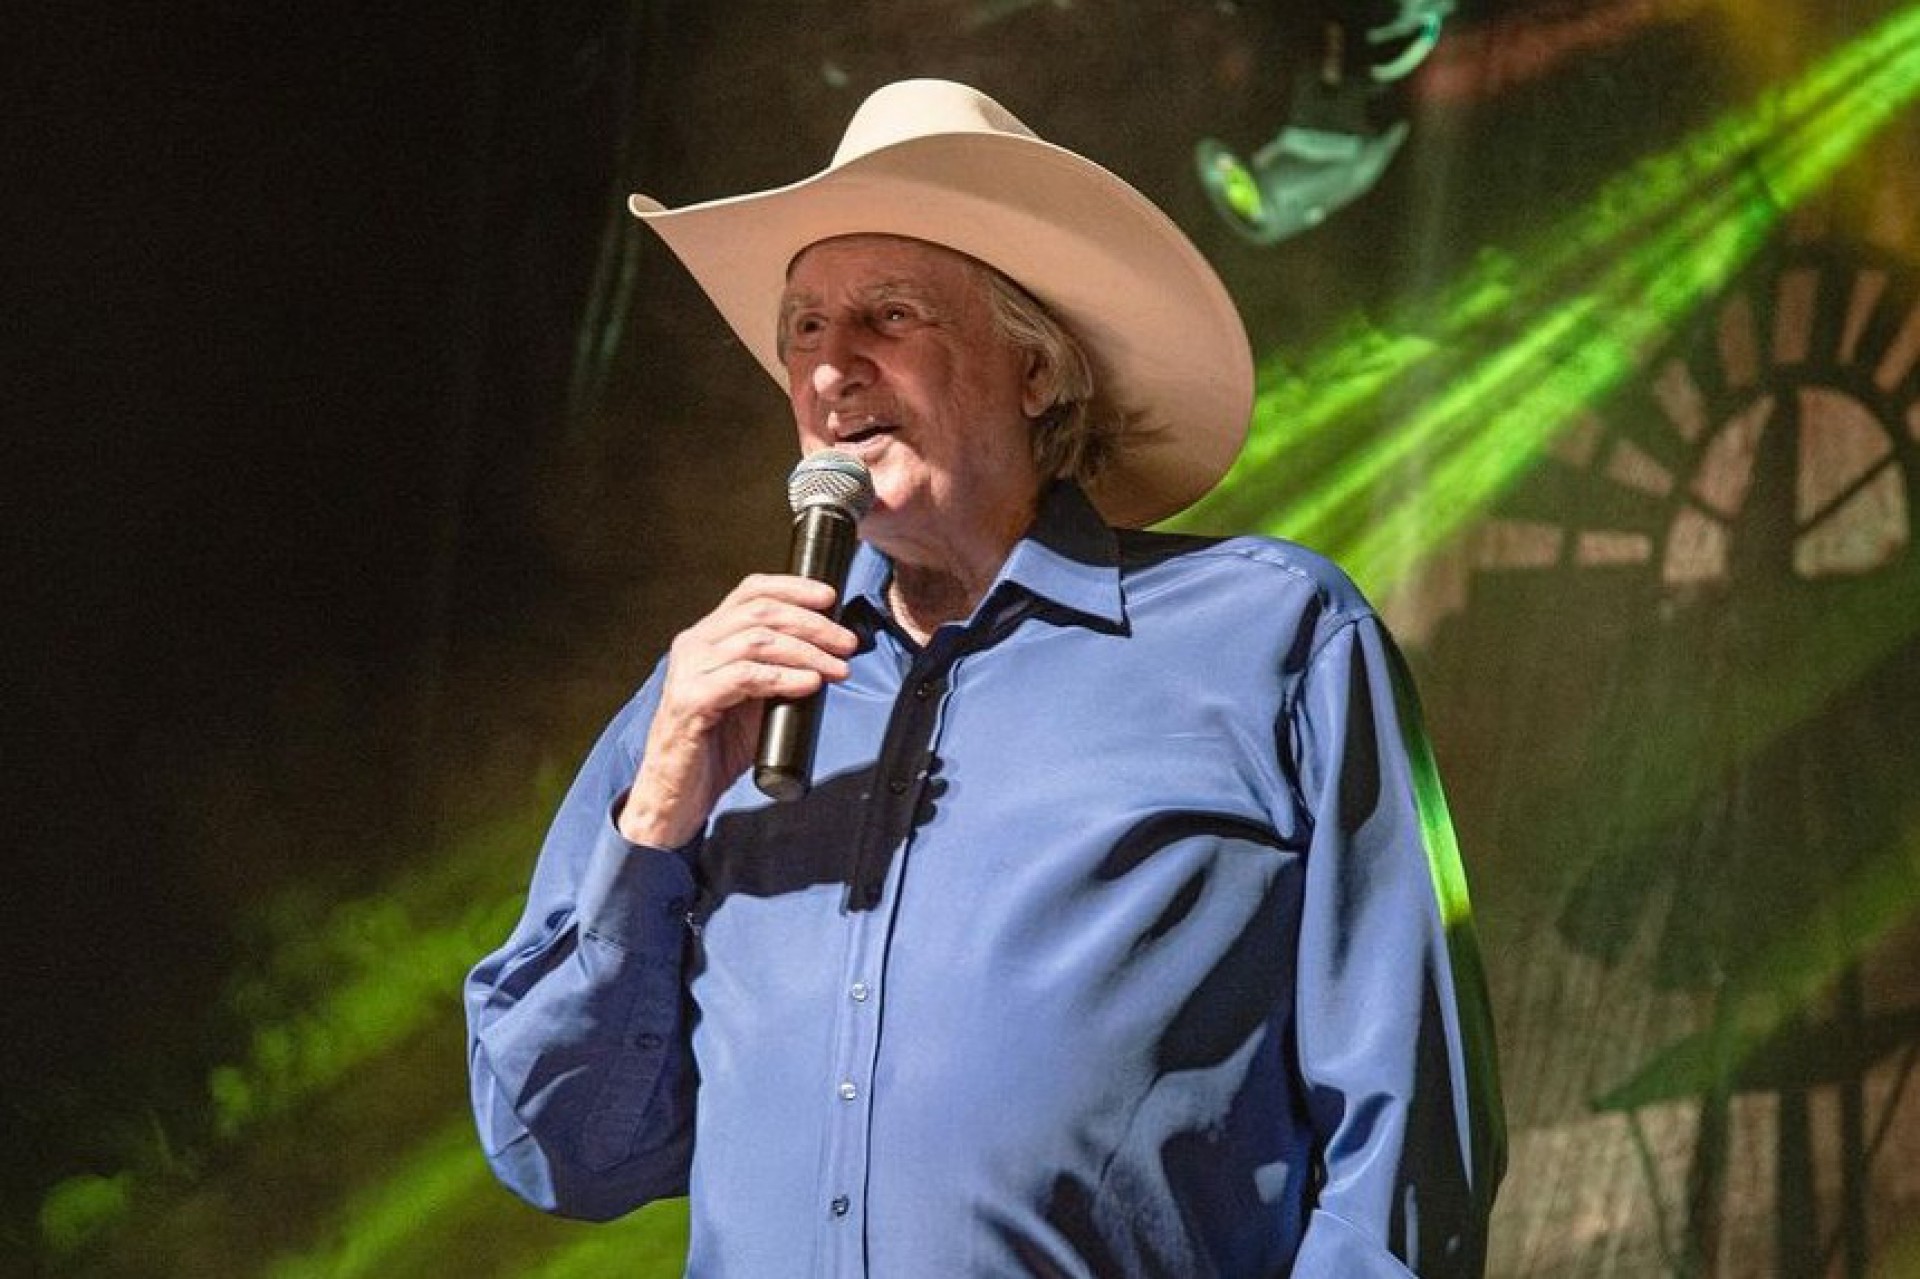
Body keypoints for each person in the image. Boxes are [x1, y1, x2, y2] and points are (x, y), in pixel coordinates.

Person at [465, 78, 1504, 1277]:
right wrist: (653, 823)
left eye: (889, 315)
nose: (831, 371)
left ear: (1036, 370)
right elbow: (562, 1150)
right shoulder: (717, 692)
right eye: (804, 329)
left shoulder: (1270, 636)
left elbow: (1408, 1139)